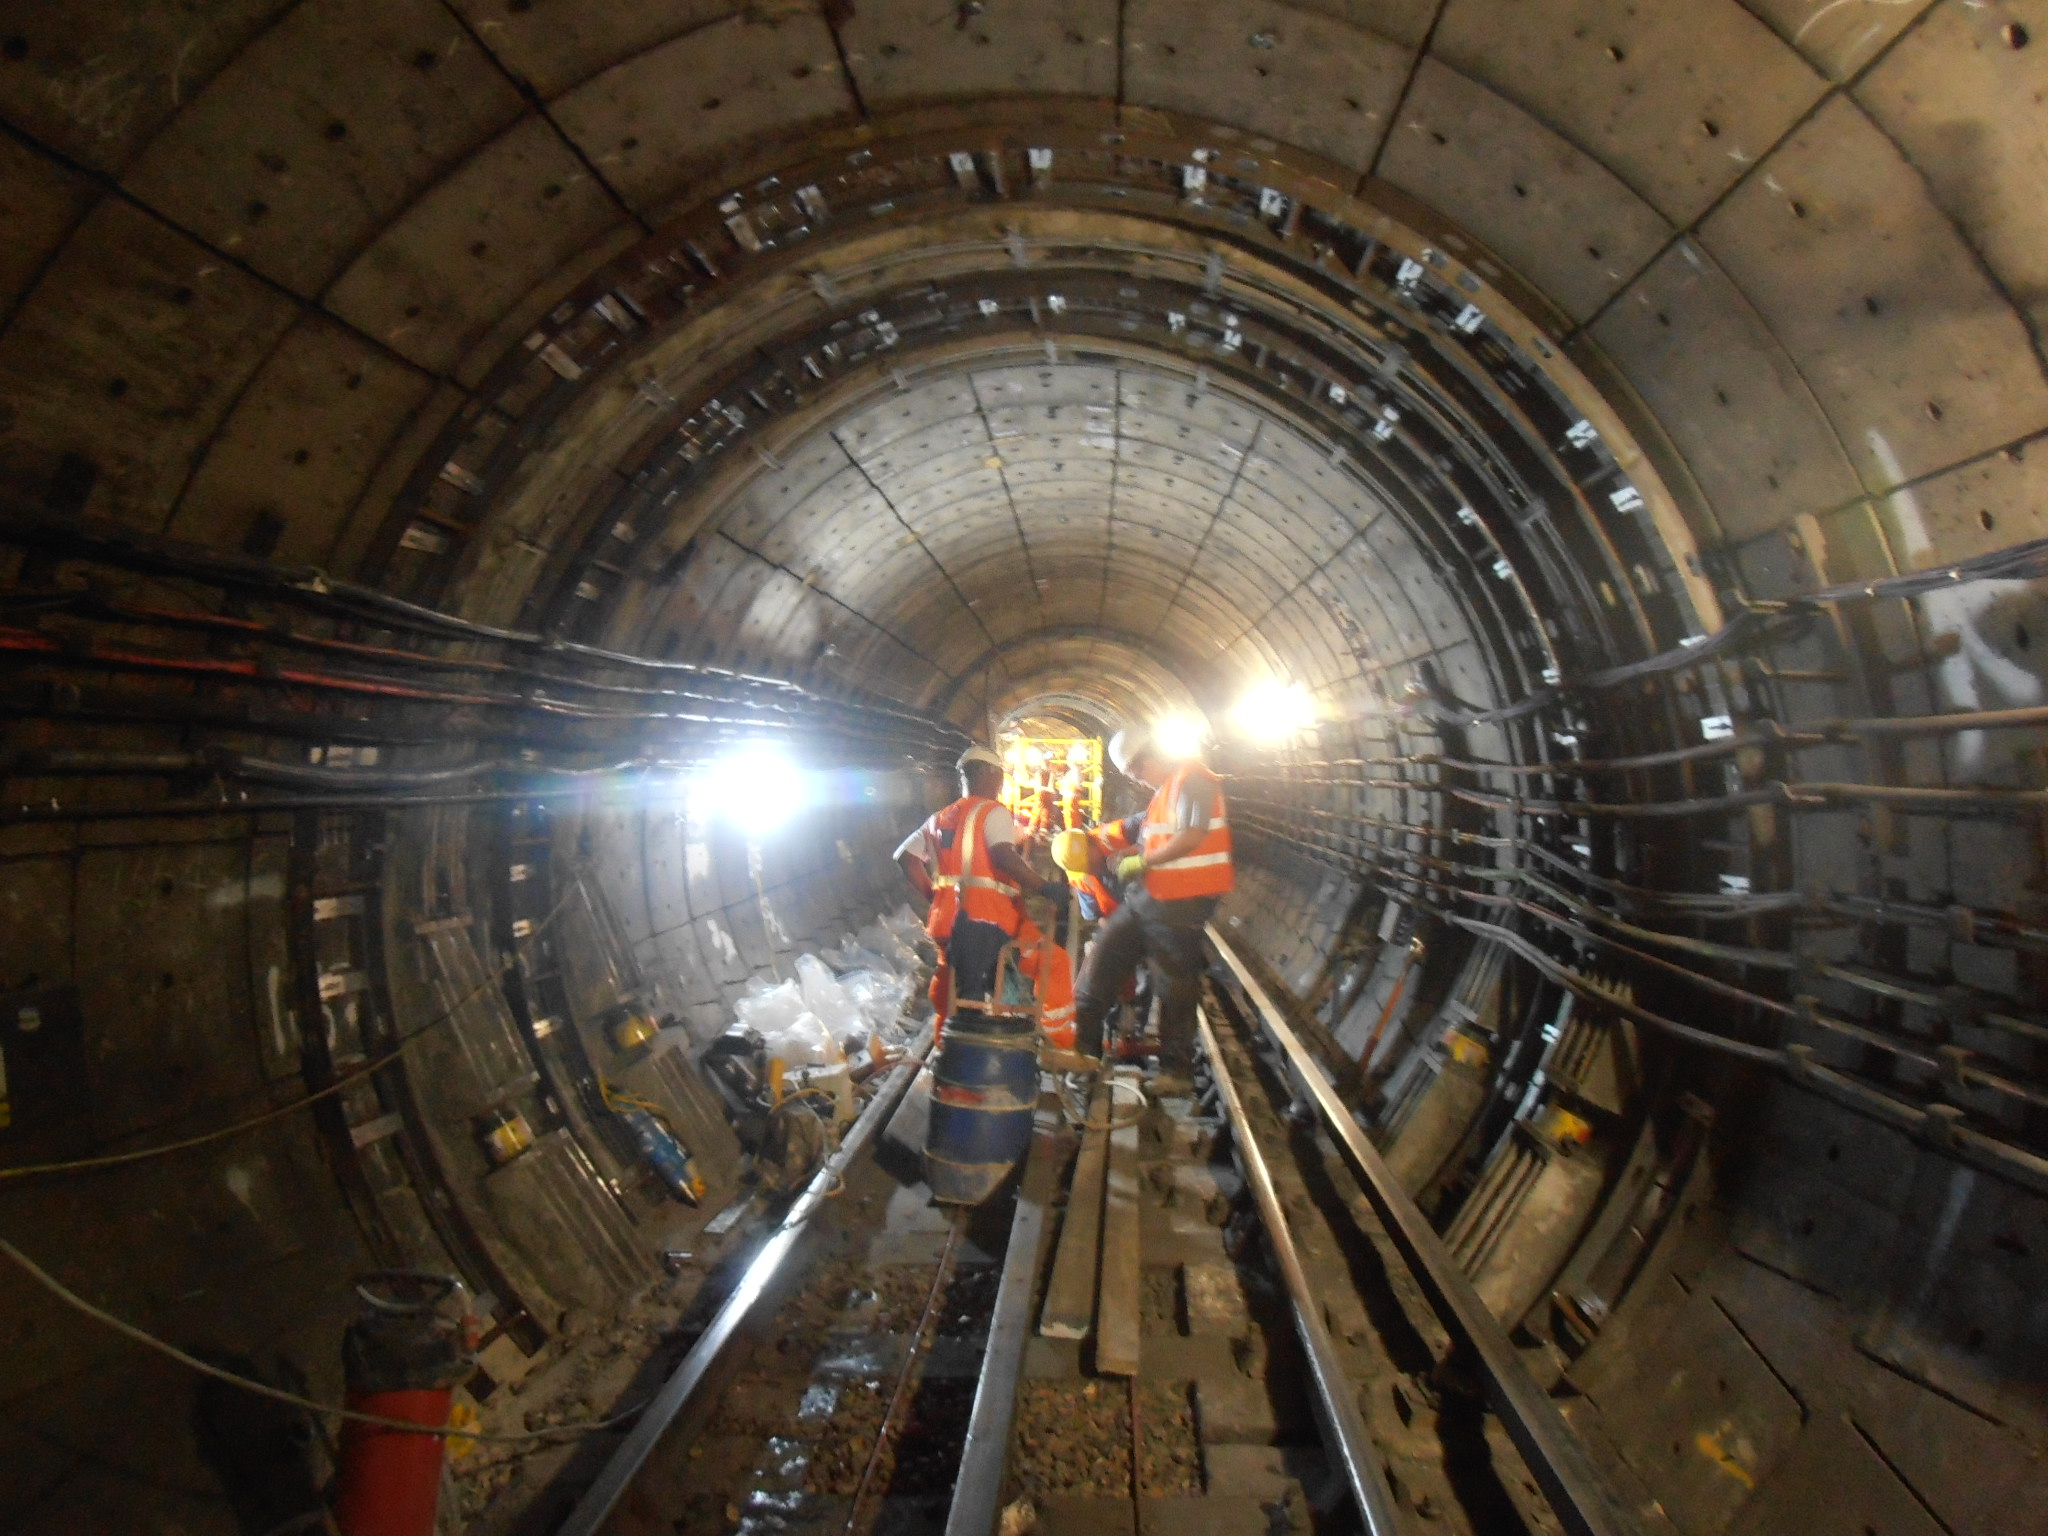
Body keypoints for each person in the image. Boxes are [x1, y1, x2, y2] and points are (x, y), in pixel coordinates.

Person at [1070, 726, 1234, 1093]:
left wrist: (1142, 861)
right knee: (1101, 960)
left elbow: (1191, 835)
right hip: (1149, 900)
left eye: (1135, 772)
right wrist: (1130, 856)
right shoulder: (1166, 790)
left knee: (1174, 985)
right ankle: (1083, 1053)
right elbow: (1151, 834)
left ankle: (1176, 1072)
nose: (1138, 781)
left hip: (1183, 901)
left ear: (1150, 758)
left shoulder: (1195, 778)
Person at [895, 745, 1080, 1058]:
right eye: (1001, 777)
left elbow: (905, 858)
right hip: (990, 922)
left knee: (950, 979)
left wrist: (935, 896)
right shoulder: (992, 811)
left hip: (947, 922)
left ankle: (947, 1047)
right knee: (1054, 962)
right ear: (993, 775)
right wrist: (1044, 887)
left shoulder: (938, 818)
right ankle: (1059, 1044)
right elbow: (1002, 855)